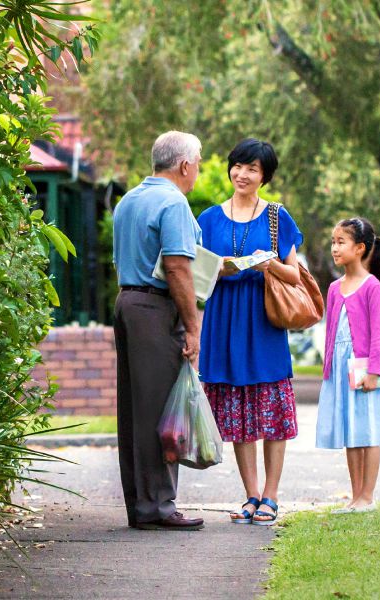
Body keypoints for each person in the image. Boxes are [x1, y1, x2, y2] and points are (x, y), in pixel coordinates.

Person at [197, 138, 303, 526]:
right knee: (240, 412)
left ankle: (272, 497)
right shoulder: (207, 219)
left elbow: (295, 275)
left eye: (253, 169)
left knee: (273, 410)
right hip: (224, 320)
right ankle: (251, 494)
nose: (243, 174)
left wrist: (265, 265)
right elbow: (194, 273)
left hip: (264, 321)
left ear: (265, 177)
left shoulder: (277, 217)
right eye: (238, 165)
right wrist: (218, 269)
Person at [111, 131, 206, 531]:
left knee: (135, 408)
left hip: (127, 303)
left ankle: (141, 504)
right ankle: (159, 507)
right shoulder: (174, 202)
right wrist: (192, 325)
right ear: (184, 165)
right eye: (198, 163)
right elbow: (178, 267)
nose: (197, 171)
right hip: (154, 308)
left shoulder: (128, 200)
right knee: (161, 410)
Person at [315, 217, 380, 513]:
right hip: (341, 368)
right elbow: (331, 331)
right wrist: (329, 369)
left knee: (368, 431)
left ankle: (368, 496)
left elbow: (379, 332)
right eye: (333, 242)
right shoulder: (335, 288)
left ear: (360, 248)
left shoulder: (371, 286)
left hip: (365, 369)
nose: (335, 248)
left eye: (341, 242)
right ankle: (355, 497)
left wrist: (375, 372)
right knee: (351, 432)